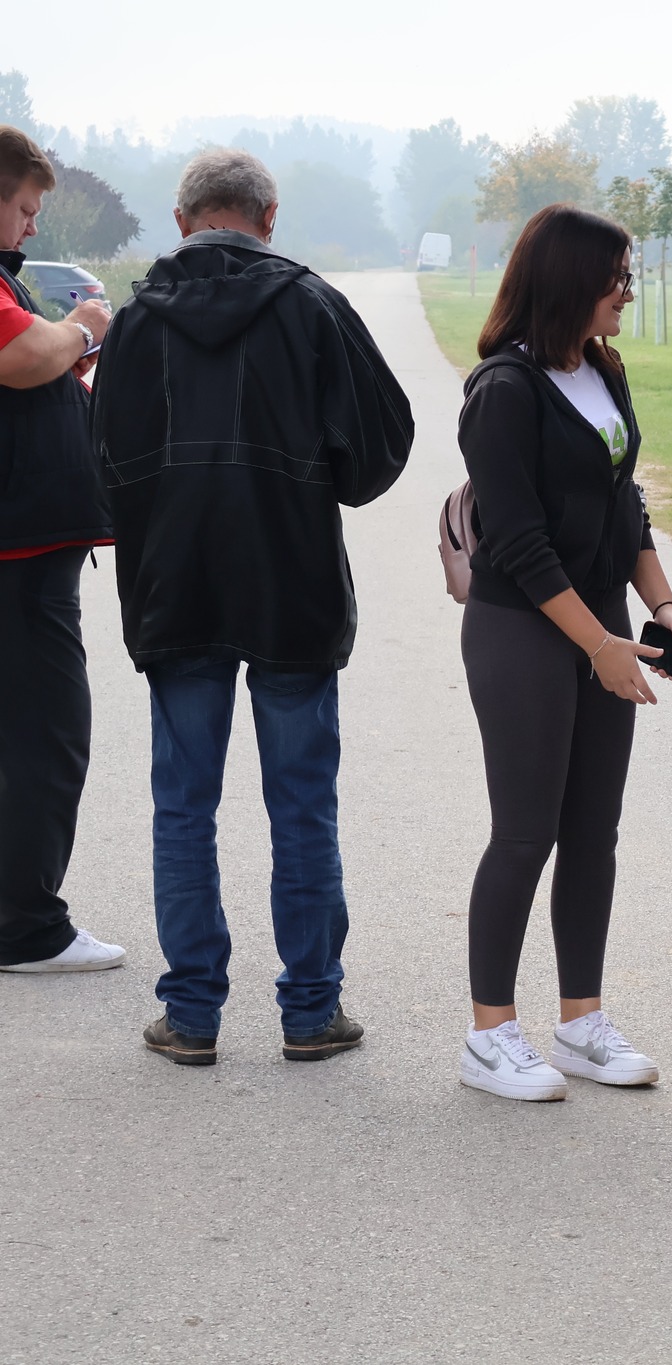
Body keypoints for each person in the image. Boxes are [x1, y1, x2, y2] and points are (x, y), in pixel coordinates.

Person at [93, 150, 412, 1065]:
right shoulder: (312, 306)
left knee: (182, 807)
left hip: (174, 585)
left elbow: (99, 460)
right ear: (268, 218)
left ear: (185, 220)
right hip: (292, 585)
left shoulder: (133, 323)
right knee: (302, 805)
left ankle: (191, 1014)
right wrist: (320, 480)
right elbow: (383, 443)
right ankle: (311, 1011)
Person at [455, 204, 672, 1103]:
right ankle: (489, 1036)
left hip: (604, 630)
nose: (627, 291)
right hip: (525, 628)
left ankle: (581, 1018)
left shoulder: (603, 367)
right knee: (525, 833)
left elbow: (627, 509)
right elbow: (515, 541)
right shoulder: (503, 391)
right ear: (569, 280)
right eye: (617, 276)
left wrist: (661, 609)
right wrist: (599, 645)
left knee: (595, 831)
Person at [0, 126, 124, 976]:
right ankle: (28, 927)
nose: (31, 227)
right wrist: (83, 327)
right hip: (19, 560)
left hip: (27, 550)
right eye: (23, 207)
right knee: (47, 737)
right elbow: (21, 356)